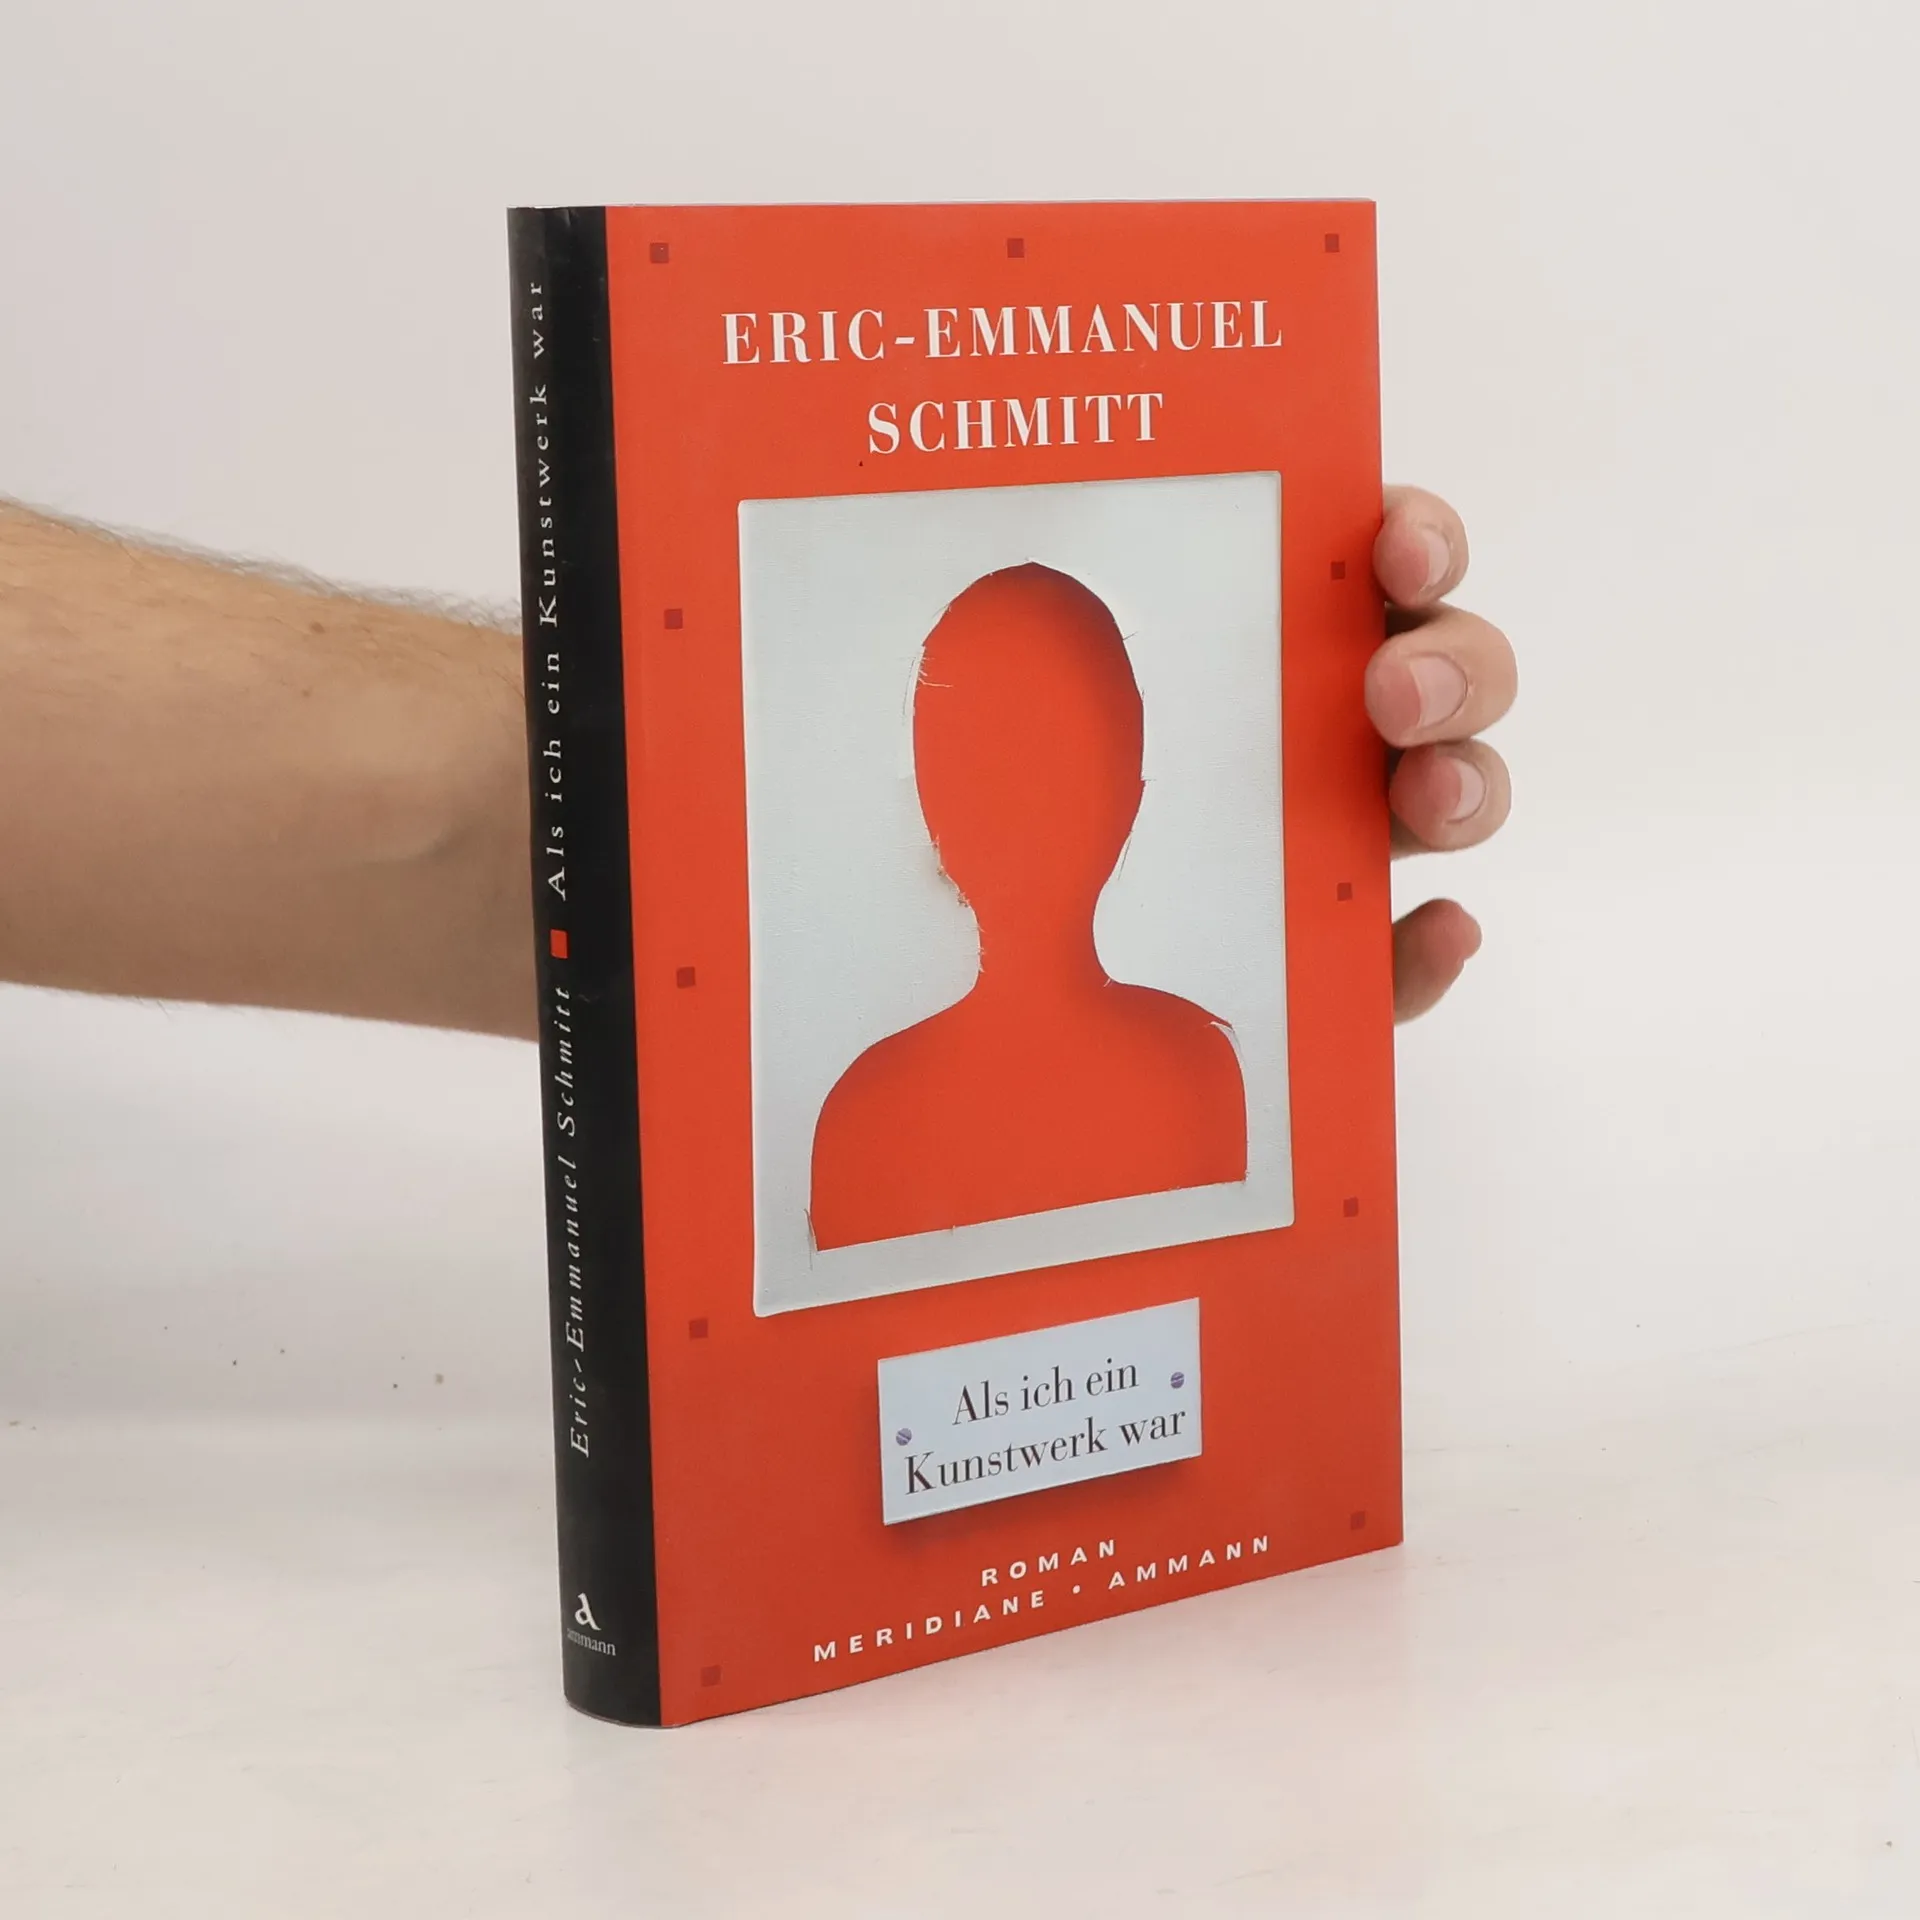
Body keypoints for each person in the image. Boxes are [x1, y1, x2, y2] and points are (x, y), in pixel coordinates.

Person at [0, 487, 1514, 1035]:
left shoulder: (1202, 1062)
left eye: (1064, 751)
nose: (1017, 803)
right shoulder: (864, 1114)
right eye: (974, 756)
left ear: (1143, 779)